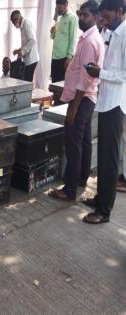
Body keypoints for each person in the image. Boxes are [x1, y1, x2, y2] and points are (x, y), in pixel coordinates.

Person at [48, 0, 105, 202]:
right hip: (86, 98)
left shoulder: (90, 41)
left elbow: (85, 78)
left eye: (86, 15)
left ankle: (69, 190)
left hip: (80, 98)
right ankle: (80, 180)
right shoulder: (90, 37)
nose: (81, 18)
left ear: (96, 18)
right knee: (84, 141)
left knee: (73, 144)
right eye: (80, 14)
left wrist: (74, 107)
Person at [81, 0, 126, 224]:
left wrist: (102, 73)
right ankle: (100, 198)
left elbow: (124, 75)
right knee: (104, 156)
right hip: (105, 100)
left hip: (116, 104)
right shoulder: (110, 32)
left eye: (106, 16)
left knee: (109, 159)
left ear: (119, 12)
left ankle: (104, 211)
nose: (103, 20)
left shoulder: (125, 34)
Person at [50, 0, 79, 83]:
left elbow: (73, 38)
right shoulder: (59, 18)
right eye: (58, 6)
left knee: (62, 84)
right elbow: (53, 37)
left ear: (66, 4)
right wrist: (52, 31)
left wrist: (69, 57)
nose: (59, 8)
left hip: (64, 58)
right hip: (55, 56)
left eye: (61, 6)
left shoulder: (72, 17)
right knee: (54, 83)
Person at [11, 10, 40, 82]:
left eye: (14, 22)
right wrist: (19, 50)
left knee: (27, 82)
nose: (14, 25)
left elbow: (32, 40)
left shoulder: (26, 23)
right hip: (28, 59)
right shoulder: (22, 26)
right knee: (26, 81)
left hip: (31, 59)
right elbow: (26, 42)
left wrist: (22, 51)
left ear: (18, 17)